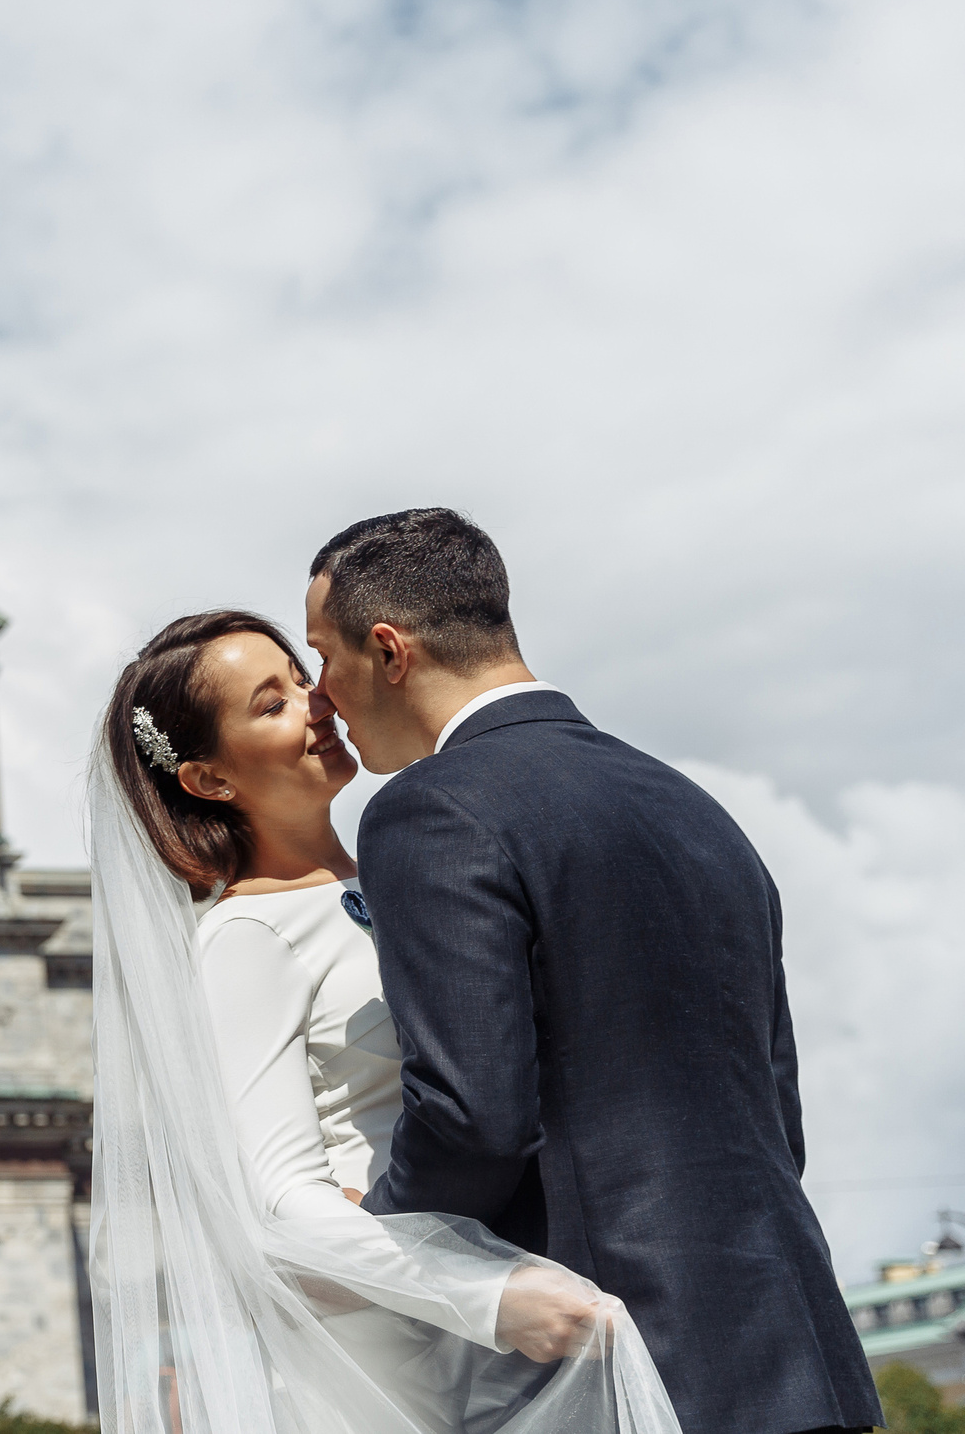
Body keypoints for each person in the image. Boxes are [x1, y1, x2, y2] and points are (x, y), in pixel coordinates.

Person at [305, 509, 879, 1434]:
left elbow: (475, 1115)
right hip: (802, 1357)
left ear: (388, 650)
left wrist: (372, 1253)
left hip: (616, 1367)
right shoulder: (693, 807)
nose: (319, 695)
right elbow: (779, 1120)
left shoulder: (430, 811)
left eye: (322, 655)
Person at [88, 608, 681, 1434]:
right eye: (271, 703)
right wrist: (490, 1294)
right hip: (384, 1360)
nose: (316, 702)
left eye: (302, 677)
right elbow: (277, 1206)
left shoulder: (407, 876)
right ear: (208, 779)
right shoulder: (246, 936)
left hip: (496, 1309)